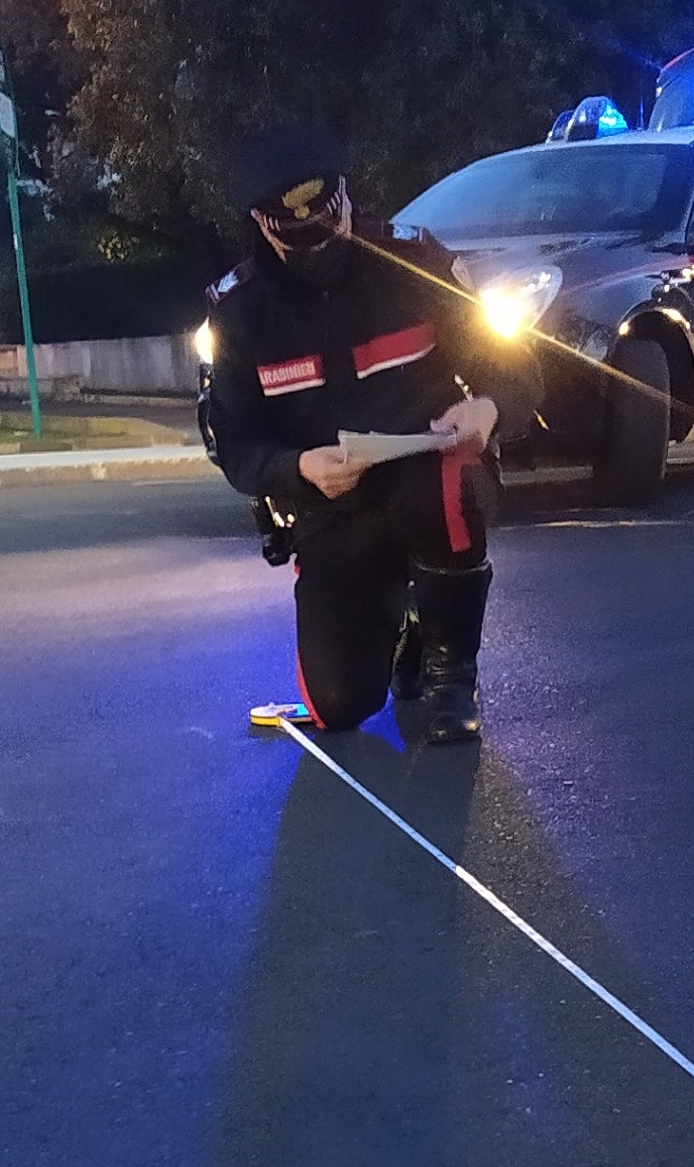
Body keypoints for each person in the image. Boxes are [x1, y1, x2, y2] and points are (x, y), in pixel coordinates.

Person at [204, 122, 539, 742]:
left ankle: (450, 673)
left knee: (443, 485)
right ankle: (404, 622)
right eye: (299, 239)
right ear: (263, 225)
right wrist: (297, 469)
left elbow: (517, 366)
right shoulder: (239, 312)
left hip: (431, 477)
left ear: (347, 200)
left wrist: (488, 409)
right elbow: (235, 441)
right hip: (332, 507)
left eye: (329, 225)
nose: (322, 246)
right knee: (338, 706)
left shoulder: (416, 261)